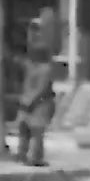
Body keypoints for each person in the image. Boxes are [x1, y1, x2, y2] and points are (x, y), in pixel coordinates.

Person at [16, 18, 57, 166]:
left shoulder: (30, 66)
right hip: (39, 102)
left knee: (25, 130)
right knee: (37, 131)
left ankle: (23, 154)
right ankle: (34, 157)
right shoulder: (45, 69)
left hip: (28, 101)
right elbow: (43, 88)